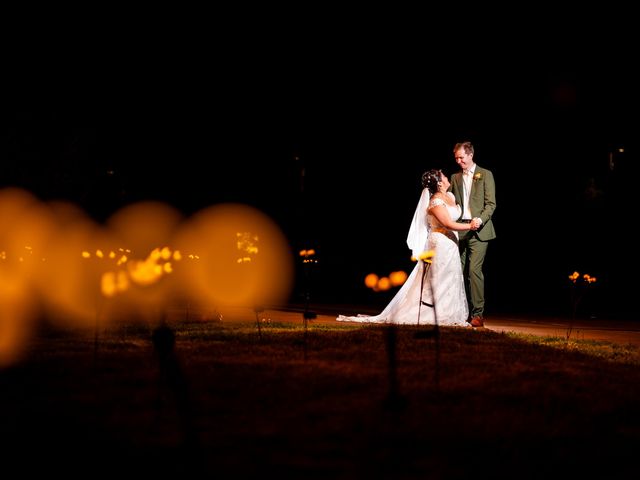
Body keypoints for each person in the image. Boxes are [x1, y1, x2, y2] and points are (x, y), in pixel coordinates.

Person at [337, 169, 479, 326]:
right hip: (440, 243)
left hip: (451, 244)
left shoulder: (450, 196)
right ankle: (434, 313)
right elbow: (447, 223)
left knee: (450, 277)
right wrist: (470, 226)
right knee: (439, 278)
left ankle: (448, 312)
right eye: (444, 175)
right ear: (439, 183)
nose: (447, 177)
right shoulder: (435, 202)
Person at [449, 141, 496, 328]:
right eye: (456, 158)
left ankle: (478, 314)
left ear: (470, 155)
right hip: (460, 230)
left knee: (473, 271)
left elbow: (491, 204)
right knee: (456, 271)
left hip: (480, 230)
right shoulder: (454, 178)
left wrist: (480, 220)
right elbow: (450, 203)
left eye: (461, 157)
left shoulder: (485, 174)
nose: (458, 161)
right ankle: (458, 311)